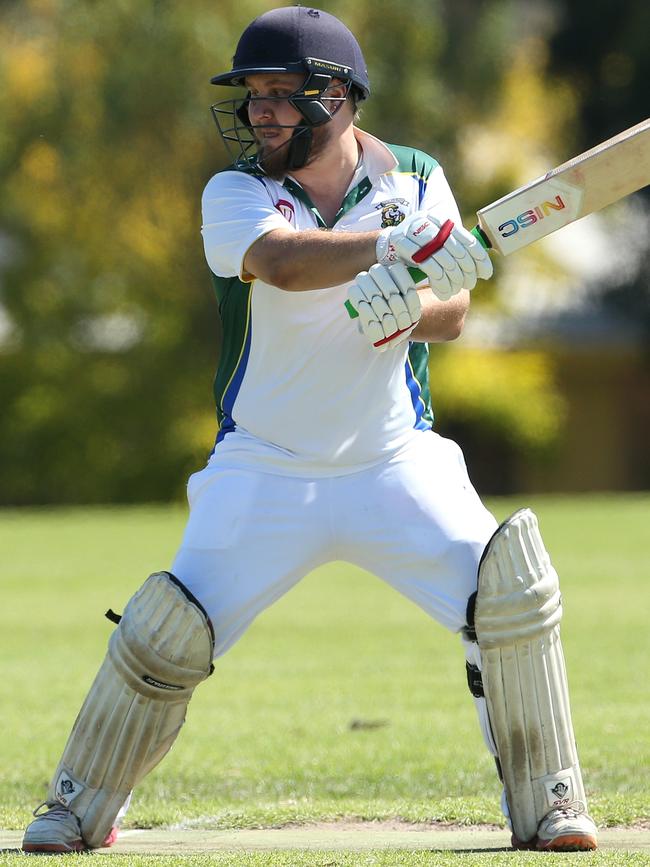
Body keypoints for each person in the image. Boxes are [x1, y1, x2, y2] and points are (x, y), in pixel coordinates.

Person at [22, 5, 598, 854]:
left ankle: (551, 801)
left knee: (509, 596)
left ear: (336, 97)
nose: (260, 112)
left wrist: (412, 308)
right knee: (165, 631)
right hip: (263, 468)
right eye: (253, 95)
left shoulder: (416, 173)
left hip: (394, 460)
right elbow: (285, 264)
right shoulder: (235, 192)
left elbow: (456, 313)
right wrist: (389, 248)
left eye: (281, 95)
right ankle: (78, 803)